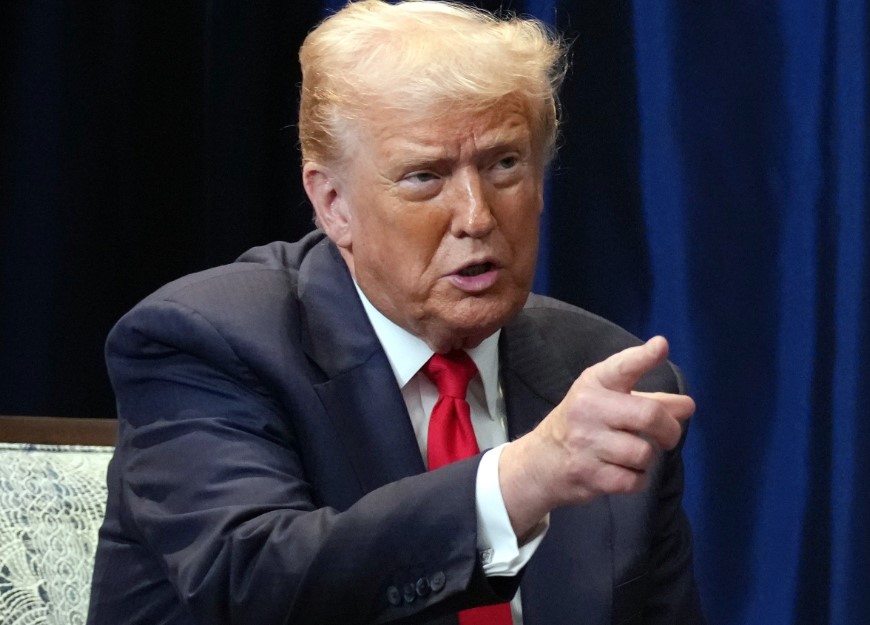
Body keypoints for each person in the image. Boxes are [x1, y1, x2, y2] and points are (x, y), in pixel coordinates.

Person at [87, 2, 705, 624]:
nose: (476, 215)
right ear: (333, 205)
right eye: (424, 177)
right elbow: (255, 584)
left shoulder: (610, 381)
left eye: (504, 164)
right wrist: (518, 482)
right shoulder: (205, 343)